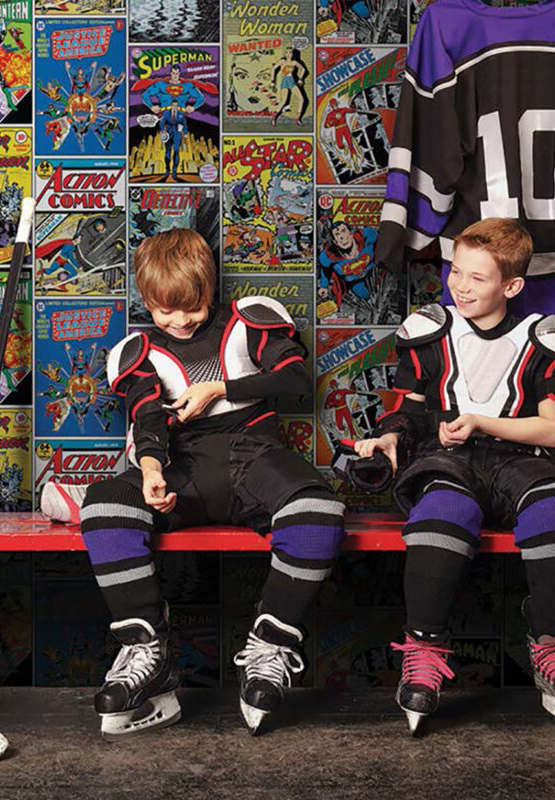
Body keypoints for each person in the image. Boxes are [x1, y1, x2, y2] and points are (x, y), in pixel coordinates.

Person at [41, 228, 345, 738]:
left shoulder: (247, 322)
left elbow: (295, 378)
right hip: (182, 467)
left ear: (210, 288)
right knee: (107, 503)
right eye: (165, 311)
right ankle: (146, 653)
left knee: (320, 514)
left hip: (254, 458)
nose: (180, 321)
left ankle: (270, 646)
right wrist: (152, 470)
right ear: (146, 300)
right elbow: (147, 415)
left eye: (193, 307)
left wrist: (221, 387)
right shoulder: (140, 350)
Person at [352, 218, 555, 735]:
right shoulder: (431, 330)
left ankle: (554, 651)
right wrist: (390, 437)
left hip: (518, 460)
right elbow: (411, 411)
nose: (460, 287)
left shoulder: (544, 338)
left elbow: (554, 431)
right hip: (448, 461)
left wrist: (482, 421)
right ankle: (423, 649)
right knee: (444, 512)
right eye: (456, 272)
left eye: (477, 278)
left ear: (512, 286)